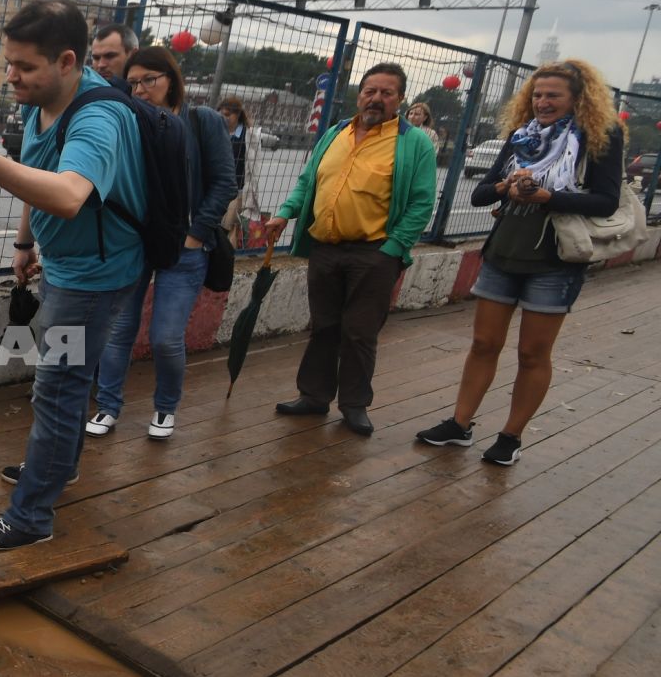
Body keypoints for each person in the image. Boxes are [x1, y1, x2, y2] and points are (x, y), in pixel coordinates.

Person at [0, 0, 147, 551]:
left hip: (96, 275)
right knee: (68, 381)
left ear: (68, 62)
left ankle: (31, 518)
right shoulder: (39, 104)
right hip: (62, 264)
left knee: (57, 386)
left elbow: (70, 194)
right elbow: (34, 174)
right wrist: (26, 243)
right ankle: (60, 467)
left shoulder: (100, 116)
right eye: (9, 63)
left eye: (25, 67)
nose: (12, 76)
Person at [415, 59, 625, 465]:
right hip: (504, 251)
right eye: (537, 95)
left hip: (554, 260)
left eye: (553, 96)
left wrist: (550, 197)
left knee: (532, 353)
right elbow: (479, 195)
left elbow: (606, 200)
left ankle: (510, 437)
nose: (543, 102)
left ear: (577, 100)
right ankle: (459, 425)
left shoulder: (600, 137)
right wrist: (504, 185)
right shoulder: (520, 136)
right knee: (483, 344)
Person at [265, 63, 437, 436]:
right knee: (324, 327)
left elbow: (422, 203)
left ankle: (354, 405)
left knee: (359, 333)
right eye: (370, 91)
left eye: (386, 93)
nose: (376, 99)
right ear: (359, 94)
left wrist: (392, 249)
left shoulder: (413, 142)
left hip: (374, 254)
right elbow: (308, 180)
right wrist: (285, 213)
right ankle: (313, 396)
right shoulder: (335, 133)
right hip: (326, 249)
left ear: (400, 99)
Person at [89, 47, 237, 439]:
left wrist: (195, 234)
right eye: (133, 82)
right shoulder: (130, 121)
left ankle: (166, 407)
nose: (140, 89)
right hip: (134, 244)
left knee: (166, 337)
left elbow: (225, 182)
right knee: (119, 330)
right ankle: (107, 406)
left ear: (171, 79)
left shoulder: (201, 120)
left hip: (184, 248)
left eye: (149, 80)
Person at [218, 95, 254, 247]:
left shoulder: (247, 135)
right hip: (218, 187)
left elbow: (252, 165)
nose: (224, 118)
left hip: (237, 188)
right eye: (221, 115)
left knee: (229, 225)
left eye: (227, 115)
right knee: (220, 223)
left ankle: (226, 255)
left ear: (237, 114)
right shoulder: (218, 131)